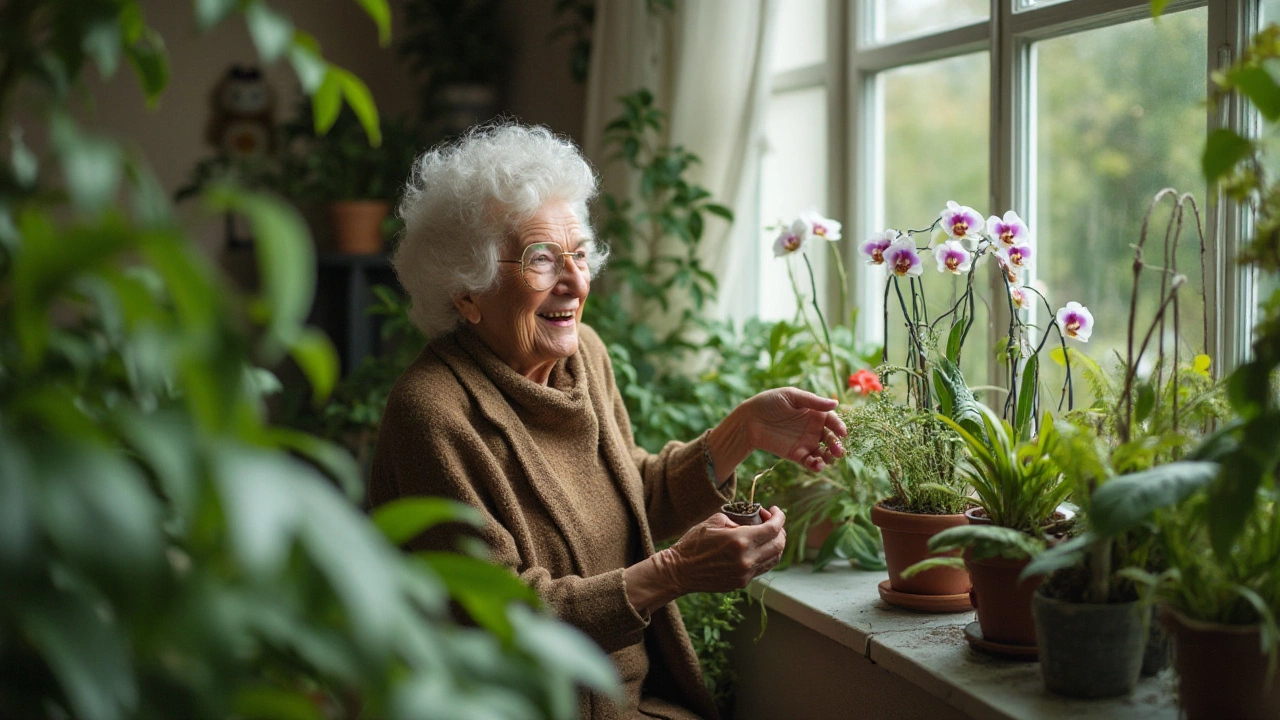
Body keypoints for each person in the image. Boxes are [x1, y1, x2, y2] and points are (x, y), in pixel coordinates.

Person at [369, 123, 847, 720]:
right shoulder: (432, 413)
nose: (574, 280)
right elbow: (504, 616)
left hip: (630, 705)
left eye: (580, 254)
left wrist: (741, 433)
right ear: (468, 292)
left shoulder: (583, 357)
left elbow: (628, 495)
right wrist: (675, 572)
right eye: (542, 259)